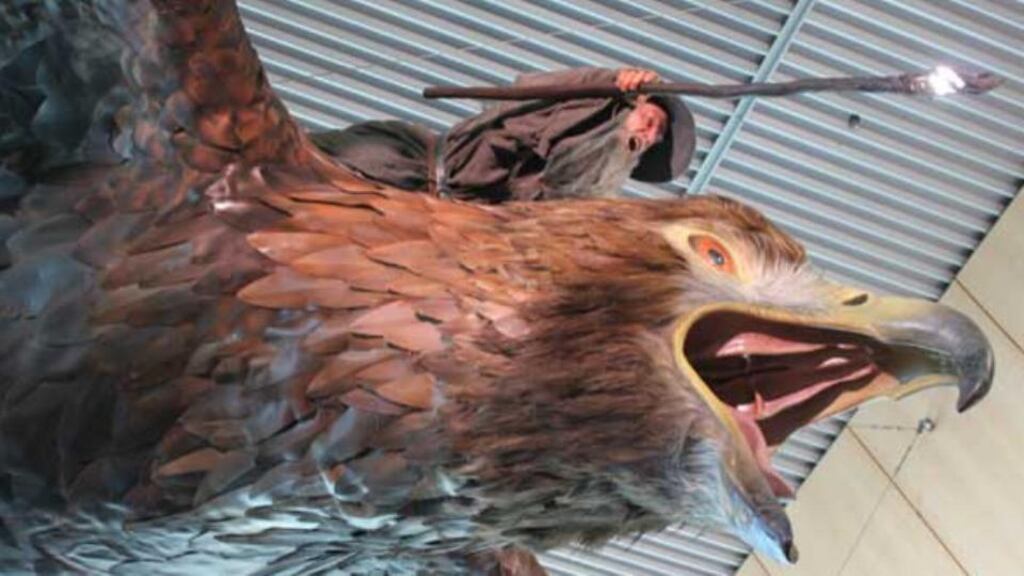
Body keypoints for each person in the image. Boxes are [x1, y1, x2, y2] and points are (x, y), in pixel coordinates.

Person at [310, 68, 696, 202]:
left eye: (653, 139)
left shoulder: (589, 181)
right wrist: (612, 84)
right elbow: (531, 89)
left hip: (423, 212)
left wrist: (619, 143)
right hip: (405, 157)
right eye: (652, 119)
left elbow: (573, 188)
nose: (649, 133)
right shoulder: (581, 103)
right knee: (284, 161)